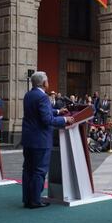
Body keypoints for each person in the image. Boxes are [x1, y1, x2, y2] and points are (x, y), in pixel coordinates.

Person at [21, 71, 72, 209]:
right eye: (48, 80)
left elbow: (37, 112)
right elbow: (46, 120)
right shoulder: (43, 97)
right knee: (39, 170)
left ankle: (27, 198)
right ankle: (35, 200)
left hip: (28, 139)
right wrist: (64, 119)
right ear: (44, 83)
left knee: (28, 169)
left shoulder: (28, 95)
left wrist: (57, 111)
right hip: (41, 139)